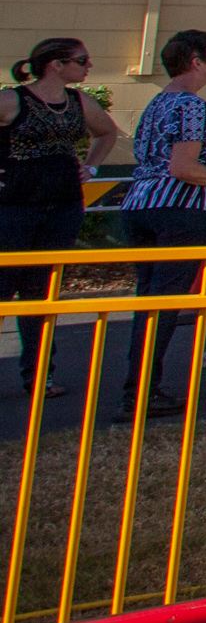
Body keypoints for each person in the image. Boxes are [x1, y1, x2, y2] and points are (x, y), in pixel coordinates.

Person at [119, 29, 206, 410]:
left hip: (141, 203)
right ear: (196, 62)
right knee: (164, 301)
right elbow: (184, 167)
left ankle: (139, 386)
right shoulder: (191, 106)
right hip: (180, 208)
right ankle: (142, 393)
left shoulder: (158, 103)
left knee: (149, 299)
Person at [1, 37, 122, 399]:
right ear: (55, 64)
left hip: (62, 204)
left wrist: (92, 166)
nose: (87, 67)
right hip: (13, 205)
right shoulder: (12, 99)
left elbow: (107, 131)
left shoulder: (79, 102)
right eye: (81, 60)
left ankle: (39, 375)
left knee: (43, 292)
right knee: (3, 288)